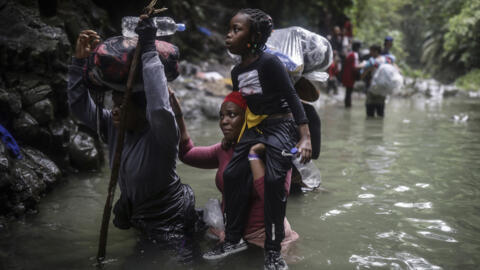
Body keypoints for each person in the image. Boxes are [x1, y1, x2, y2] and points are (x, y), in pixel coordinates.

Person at [67, 17, 196, 245]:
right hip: (139, 216)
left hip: (170, 219)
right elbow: (79, 107)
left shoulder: (161, 135)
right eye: (113, 103)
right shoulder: (113, 127)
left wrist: (148, 50)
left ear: (142, 110)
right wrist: (78, 64)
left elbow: (159, 106)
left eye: (122, 105)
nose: (114, 110)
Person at [203, 8, 312, 270]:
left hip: (282, 126)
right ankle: (233, 239)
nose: (228, 35)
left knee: (275, 181)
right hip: (257, 127)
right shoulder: (237, 71)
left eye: (236, 30)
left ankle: (273, 252)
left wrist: (305, 137)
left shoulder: (270, 63)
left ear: (254, 36)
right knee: (231, 175)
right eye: (229, 29)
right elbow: (242, 106)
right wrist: (233, 136)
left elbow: (293, 98)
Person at [170, 91, 299, 254]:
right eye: (221, 116)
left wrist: (253, 156)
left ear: (249, 118)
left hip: (264, 240)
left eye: (231, 115)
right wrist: (178, 117)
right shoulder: (225, 148)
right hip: (230, 236)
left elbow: (274, 200)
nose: (224, 121)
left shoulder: (274, 149)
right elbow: (187, 154)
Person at [359, 44, 387, 117]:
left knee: (370, 114)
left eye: (371, 51)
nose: (370, 53)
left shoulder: (372, 61)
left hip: (372, 89)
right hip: (383, 91)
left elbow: (362, 75)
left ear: (376, 51)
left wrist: (364, 71)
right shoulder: (386, 60)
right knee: (380, 114)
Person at [341, 40, 362, 108]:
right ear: (357, 47)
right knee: (349, 92)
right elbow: (355, 67)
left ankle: (347, 106)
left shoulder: (349, 53)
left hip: (346, 75)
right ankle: (348, 106)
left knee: (348, 92)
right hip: (350, 76)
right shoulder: (355, 54)